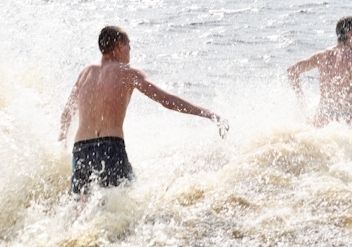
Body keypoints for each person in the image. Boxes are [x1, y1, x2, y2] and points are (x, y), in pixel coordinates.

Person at [59, 26, 228, 195]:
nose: (130, 51)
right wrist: (209, 114)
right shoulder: (128, 72)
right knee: (127, 198)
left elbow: (67, 113)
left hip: (81, 149)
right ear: (119, 46)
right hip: (110, 147)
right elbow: (167, 100)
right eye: (129, 46)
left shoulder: (85, 73)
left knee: (79, 206)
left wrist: (63, 140)